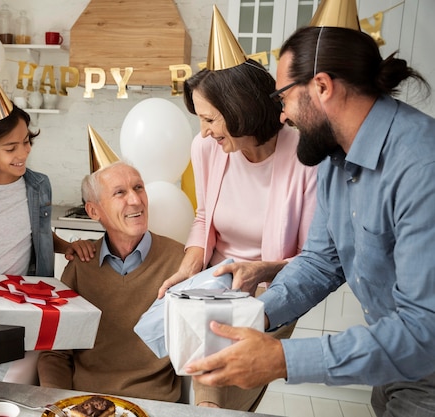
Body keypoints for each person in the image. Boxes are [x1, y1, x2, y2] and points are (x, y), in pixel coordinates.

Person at [185, 24, 435, 417]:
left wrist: (281, 358)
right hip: (389, 367)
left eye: (284, 97)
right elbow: (321, 262)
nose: (282, 115)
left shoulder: (422, 166)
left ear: (321, 87)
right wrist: (253, 315)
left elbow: (424, 330)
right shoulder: (334, 157)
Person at [156, 6, 317, 411]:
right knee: (210, 389)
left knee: (226, 390)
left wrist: (261, 272)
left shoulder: (305, 157)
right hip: (214, 287)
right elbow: (203, 218)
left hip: (273, 294)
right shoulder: (208, 148)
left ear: (240, 108)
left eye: (210, 118)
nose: (204, 131)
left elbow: (314, 261)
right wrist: (189, 268)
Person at [0, 67, 95, 383]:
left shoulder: (38, 186)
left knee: (5, 384)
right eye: (10, 148)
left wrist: (66, 245)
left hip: (20, 305)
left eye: (26, 142)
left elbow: (37, 233)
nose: (24, 153)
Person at [37, 161, 183, 402]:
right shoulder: (80, 267)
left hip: (154, 405)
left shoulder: (179, 261)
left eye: (138, 187)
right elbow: (57, 354)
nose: (136, 200)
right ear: (94, 211)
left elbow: (200, 344)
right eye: (120, 192)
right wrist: (58, 404)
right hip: (86, 404)